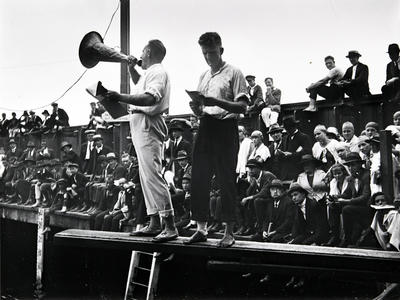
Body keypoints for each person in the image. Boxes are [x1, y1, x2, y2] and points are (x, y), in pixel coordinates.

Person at [104, 39, 178, 242]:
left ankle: (169, 225)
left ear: (148, 52)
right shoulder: (150, 73)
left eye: (142, 52)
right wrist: (131, 69)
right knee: (145, 177)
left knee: (153, 175)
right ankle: (154, 222)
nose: (139, 56)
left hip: (148, 122)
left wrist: (120, 96)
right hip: (140, 123)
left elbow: (150, 98)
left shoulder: (157, 72)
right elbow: (140, 86)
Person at [185, 32, 248, 247]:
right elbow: (202, 110)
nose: (208, 57)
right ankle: (201, 228)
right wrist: (197, 108)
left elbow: (242, 107)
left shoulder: (234, 72)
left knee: (225, 180)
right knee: (199, 178)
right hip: (206, 126)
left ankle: (229, 232)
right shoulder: (204, 76)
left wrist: (215, 101)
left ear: (220, 50)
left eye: (211, 52)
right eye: (204, 53)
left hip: (226, 128)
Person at [280, 115, 313, 180]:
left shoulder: (304, 137)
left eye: (289, 128)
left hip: (298, 170)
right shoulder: (284, 138)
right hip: (285, 173)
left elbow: (307, 151)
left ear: (294, 127)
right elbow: (282, 150)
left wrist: (292, 154)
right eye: (286, 129)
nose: (288, 131)